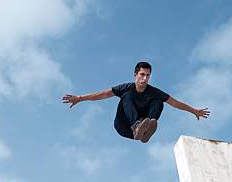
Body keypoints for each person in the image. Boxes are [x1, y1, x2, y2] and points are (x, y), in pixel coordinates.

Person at [62, 61, 210, 143]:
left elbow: (175, 103)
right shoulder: (126, 87)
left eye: (148, 76)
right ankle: (136, 126)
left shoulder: (153, 91)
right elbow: (102, 94)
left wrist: (194, 111)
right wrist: (80, 98)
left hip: (141, 130)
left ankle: (148, 127)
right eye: (142, 75)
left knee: (159, 100)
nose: (145, 79)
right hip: (123, 126)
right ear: (135, 75)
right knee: (127, 95)